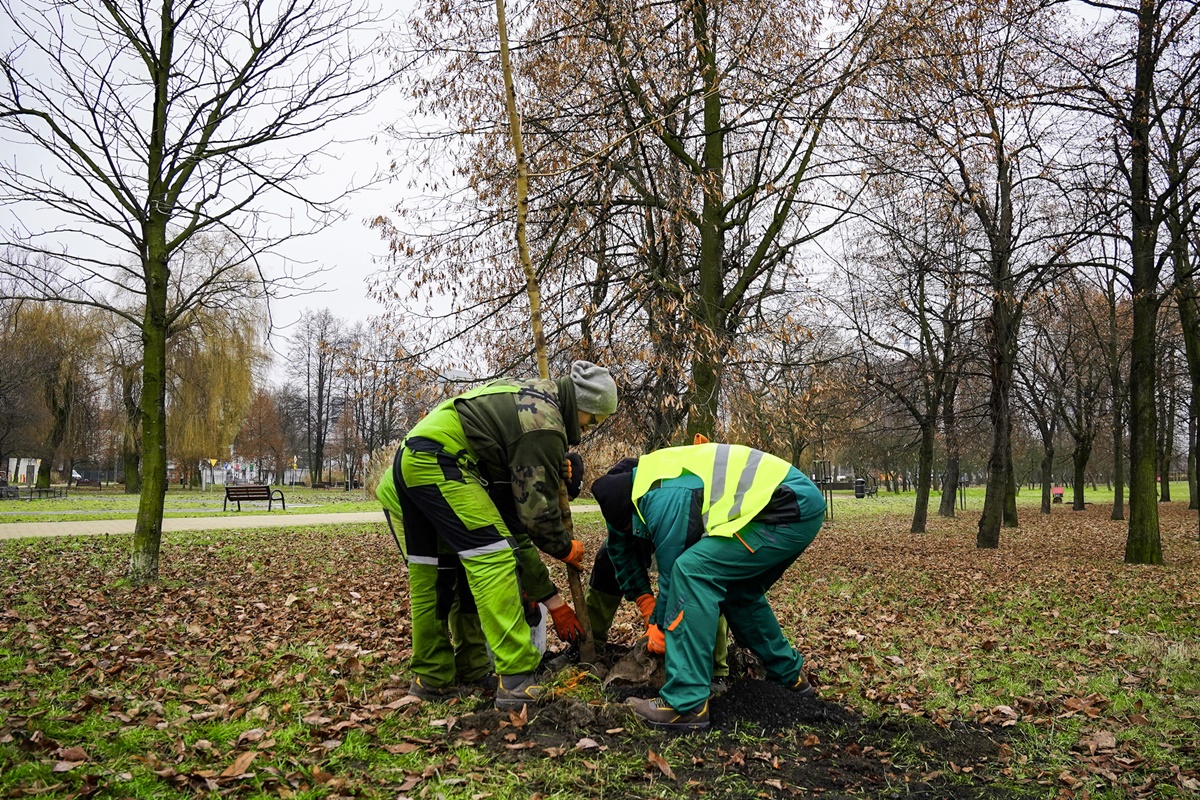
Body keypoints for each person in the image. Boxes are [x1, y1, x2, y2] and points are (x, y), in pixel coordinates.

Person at [389, 361, 617, 711]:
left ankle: (437, 676)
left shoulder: (532, 401)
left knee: (439, 575)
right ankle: (516, 679)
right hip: (443, 462)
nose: (588, 429)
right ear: (585, 406)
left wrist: (553, 602)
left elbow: (515, 527)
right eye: (595, 420)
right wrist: (563, 547)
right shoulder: (544, 423)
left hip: (414, 462)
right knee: (492, 559)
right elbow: (535, 516)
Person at [590, 442, 825, 731]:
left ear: (631, 516)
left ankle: (685, 704)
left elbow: (674, 569)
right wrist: (647, 606)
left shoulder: (662, 498)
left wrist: (660, 626)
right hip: (797, 504)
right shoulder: (646, 480)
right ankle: (789, 676)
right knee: (739, 592)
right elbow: (622, 550)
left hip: (784, 506)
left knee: (692, 572)